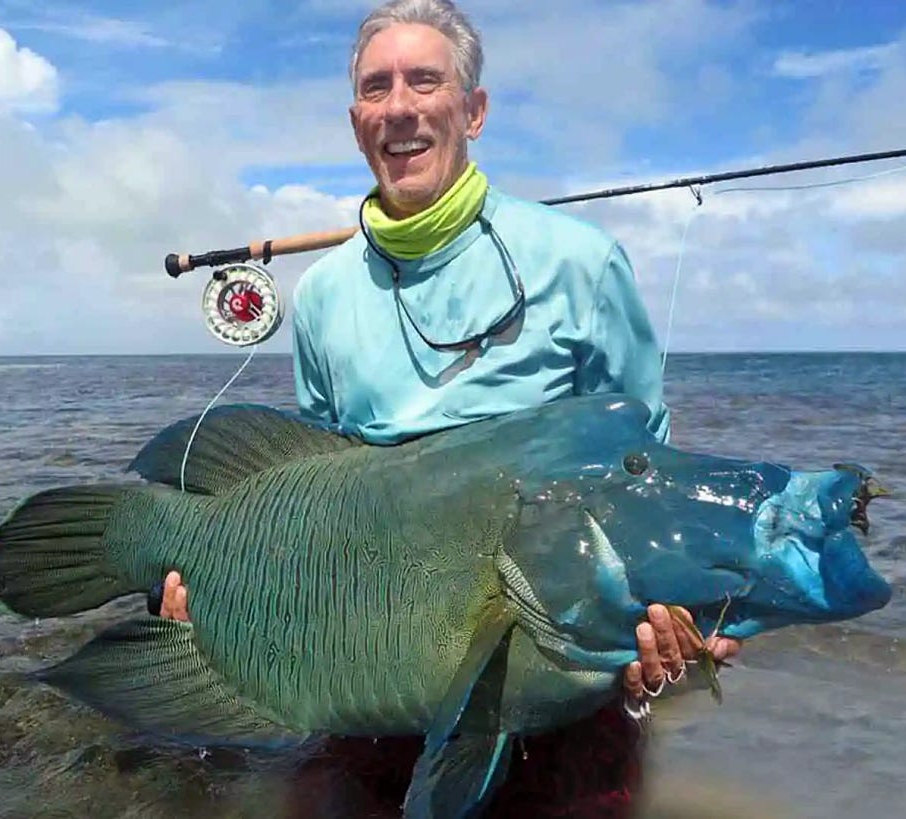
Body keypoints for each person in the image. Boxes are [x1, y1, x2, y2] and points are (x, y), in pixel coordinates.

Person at [151, 0, 739, 814]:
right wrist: (223, 592)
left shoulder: (582, 263)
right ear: (356, 121)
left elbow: (646, 480)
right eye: (376, 88)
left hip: (557, 689)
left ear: (474, 108)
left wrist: (673, 621)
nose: (400, 107)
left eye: (426, 81)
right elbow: (315, 500)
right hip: (377, 671)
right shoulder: (322, 297)